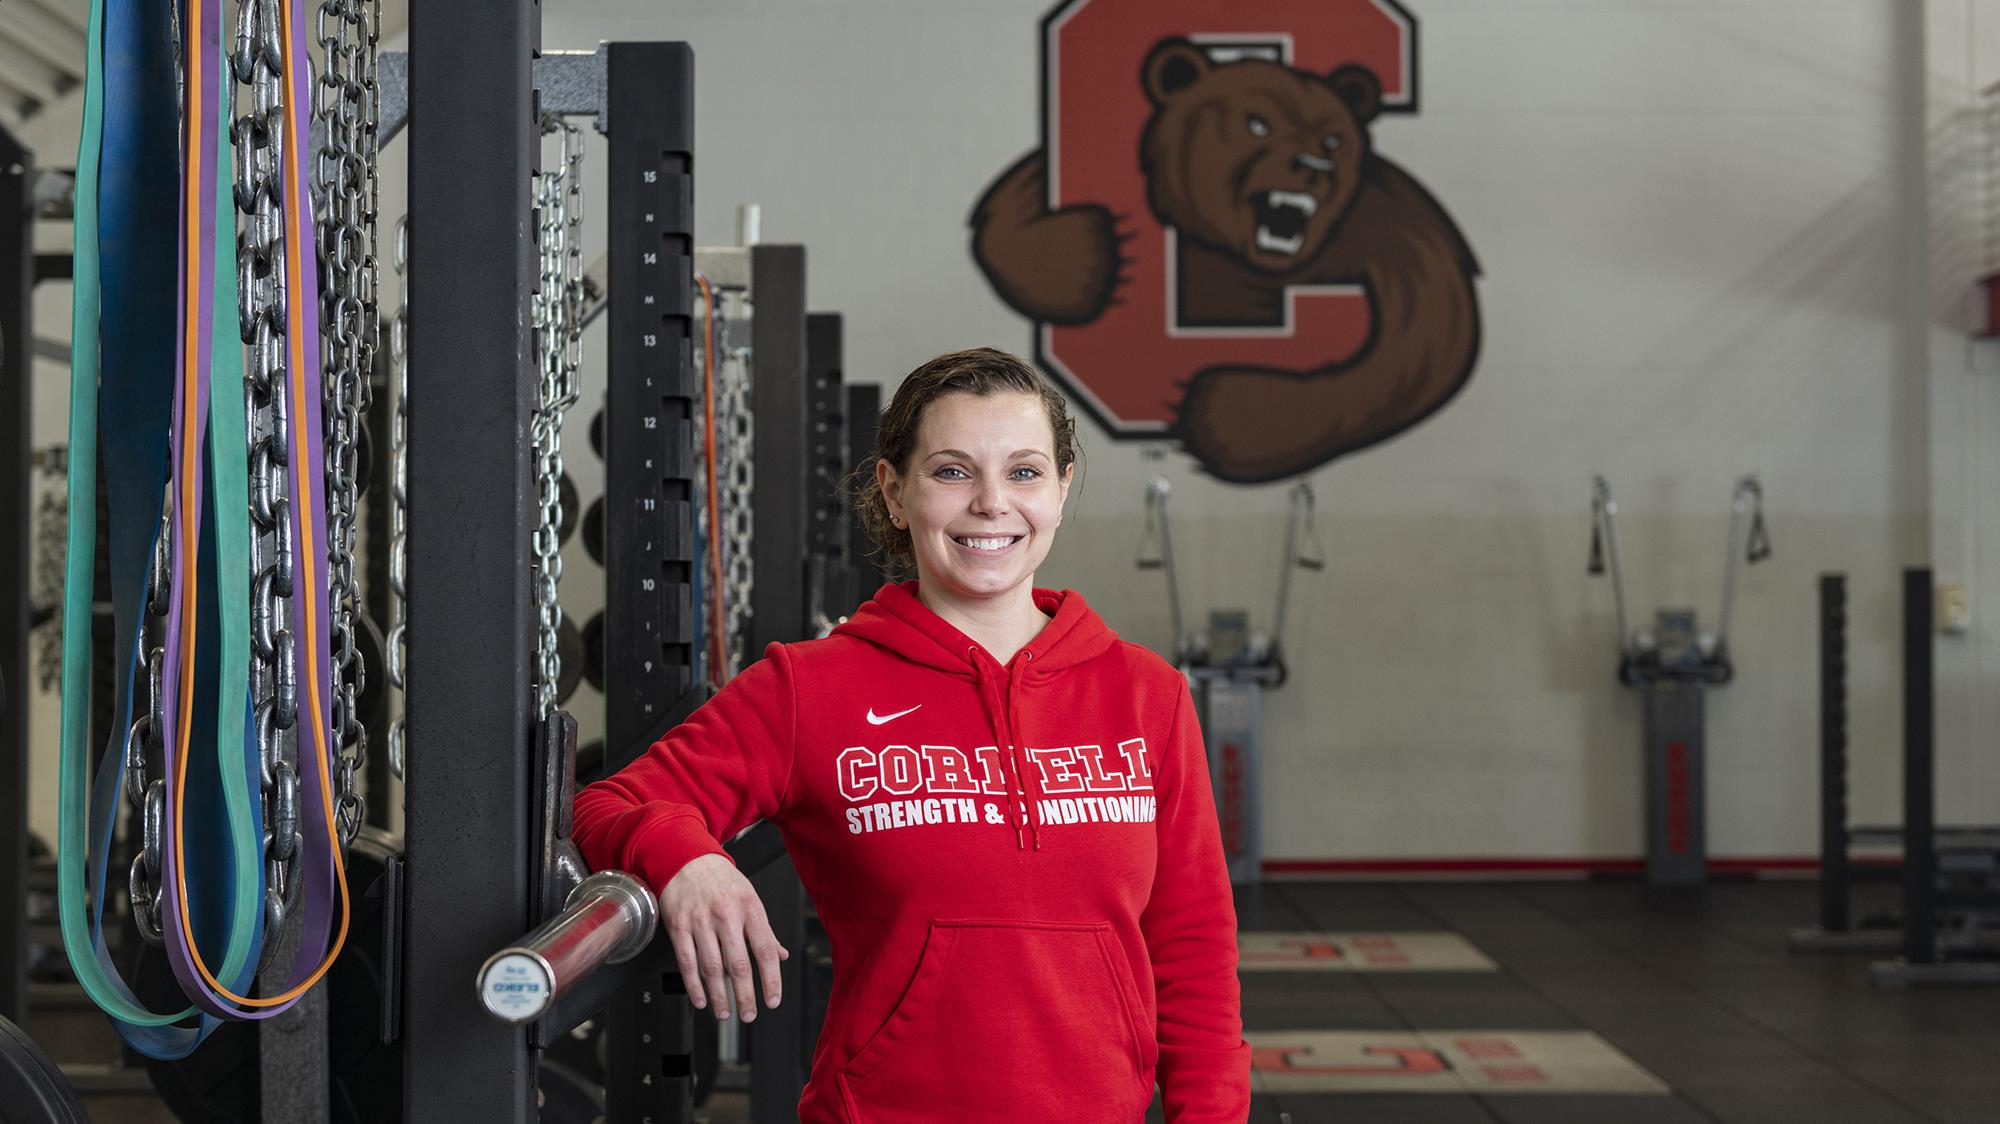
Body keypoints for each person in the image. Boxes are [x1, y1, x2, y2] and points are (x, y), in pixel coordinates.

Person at [572, 347, 1250, 1121]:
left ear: (1062, 490)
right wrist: (689, 858)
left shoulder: (1145, 695)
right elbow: (609, 804)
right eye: (953, 471)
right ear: (895, 493)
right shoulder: (811, 688)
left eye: (1025, 472)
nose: (992, 503)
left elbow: (1194, 948)